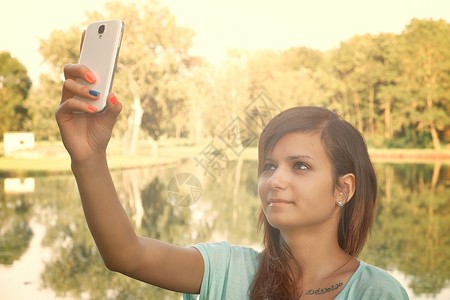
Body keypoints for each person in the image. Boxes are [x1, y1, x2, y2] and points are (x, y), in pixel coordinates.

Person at [56, 39, 409, 300]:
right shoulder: (226, 270)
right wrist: (88, 158)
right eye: (269, 166)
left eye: (300, 166)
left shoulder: (377, 292)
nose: (275, 180)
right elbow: (126, 255)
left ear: (343, 189)